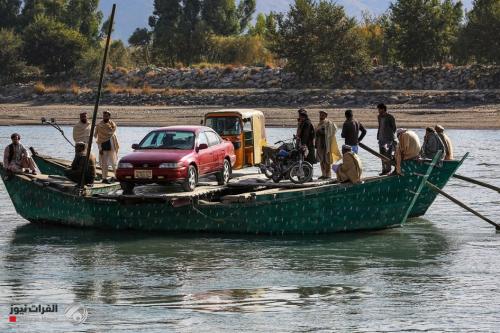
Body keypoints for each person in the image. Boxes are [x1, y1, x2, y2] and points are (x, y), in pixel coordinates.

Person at [315, 111, 341, 179]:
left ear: (326, 115)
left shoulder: (328, 123)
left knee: (327, 161)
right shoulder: (319, 124)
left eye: (322, 115)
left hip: (326, 145)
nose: (321, 116)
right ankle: (323, 174)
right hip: (319, 145)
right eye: (320, 115)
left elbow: (334, 130)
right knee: (321, 160)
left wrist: (323, 132)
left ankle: (328, 175)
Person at [94, 111, 119, 182]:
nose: (105, 117)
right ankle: (104, 178)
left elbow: (114, 136)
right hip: (103, 146)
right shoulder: (99, 125)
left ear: (109, 116)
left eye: (106, 116)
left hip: (112, 146)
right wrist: (100, 148)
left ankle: (117, 177)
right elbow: (97, 137)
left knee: (114, 162)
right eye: (104, 116)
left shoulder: (113, 125)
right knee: (104, 163)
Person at [376, 103, 397, 175]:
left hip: (388, 139)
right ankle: (384, 170)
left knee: (388, 155)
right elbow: (379, 126)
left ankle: (388, 170)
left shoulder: (390, 117)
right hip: (381, 139)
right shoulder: (379, 117)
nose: (378, 111)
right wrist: (379, 136)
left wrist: (389, 136)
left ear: (383, 109)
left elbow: (394, 128)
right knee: (381, 155)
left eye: (379, 109)